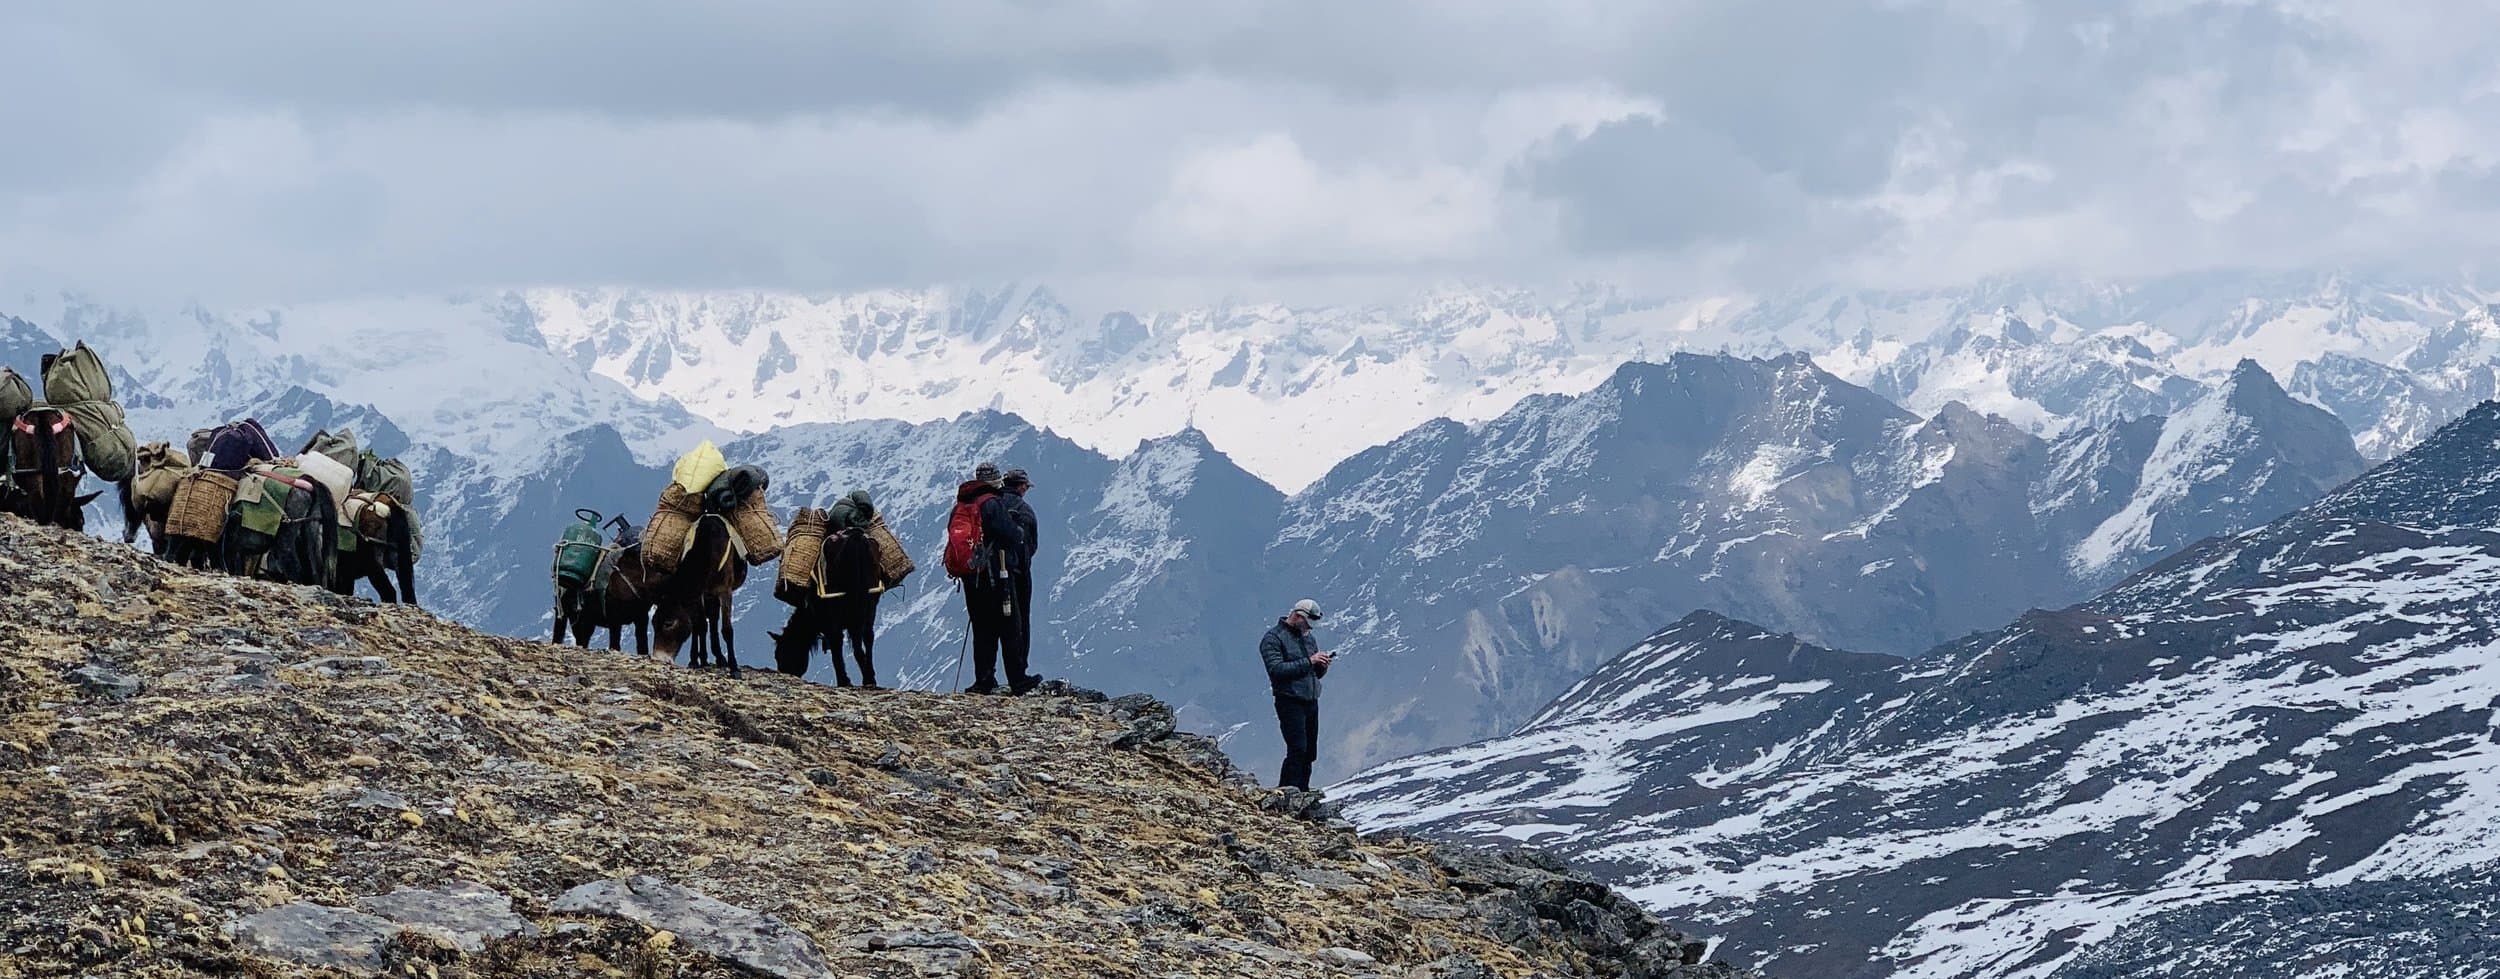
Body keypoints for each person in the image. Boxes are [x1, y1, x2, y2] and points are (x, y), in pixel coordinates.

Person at [1260, 598, 1332, 791]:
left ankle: (1303, 791)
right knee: (1297, 748)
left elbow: (1314, 672)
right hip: (1289, 700)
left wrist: (1321, 666)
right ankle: (1287, 792)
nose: (1309, 629)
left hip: (1310, 699)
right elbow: (1276, 670)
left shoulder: (1309, 638)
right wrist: (1310, 661)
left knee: (1309, 752)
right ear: (1298, 616)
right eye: (1308, 624)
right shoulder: (1273, 639)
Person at [959, 461, 1014, 694]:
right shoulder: (992, 503)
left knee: (980, 628)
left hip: (971, 574)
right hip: (994, 573)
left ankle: (982, 678)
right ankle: (1015, 679)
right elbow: (1009, 533)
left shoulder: (964, 503)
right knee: (1005, 625)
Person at [996, 468, 1042, 693]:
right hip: (1016, 574)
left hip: (989, 574)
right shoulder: (1024, 510)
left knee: (988, 626)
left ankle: (985, 677)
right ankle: (1018, 675)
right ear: (1021, 486)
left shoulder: (991, 504)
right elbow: (1030, 546)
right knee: (1018, 624)